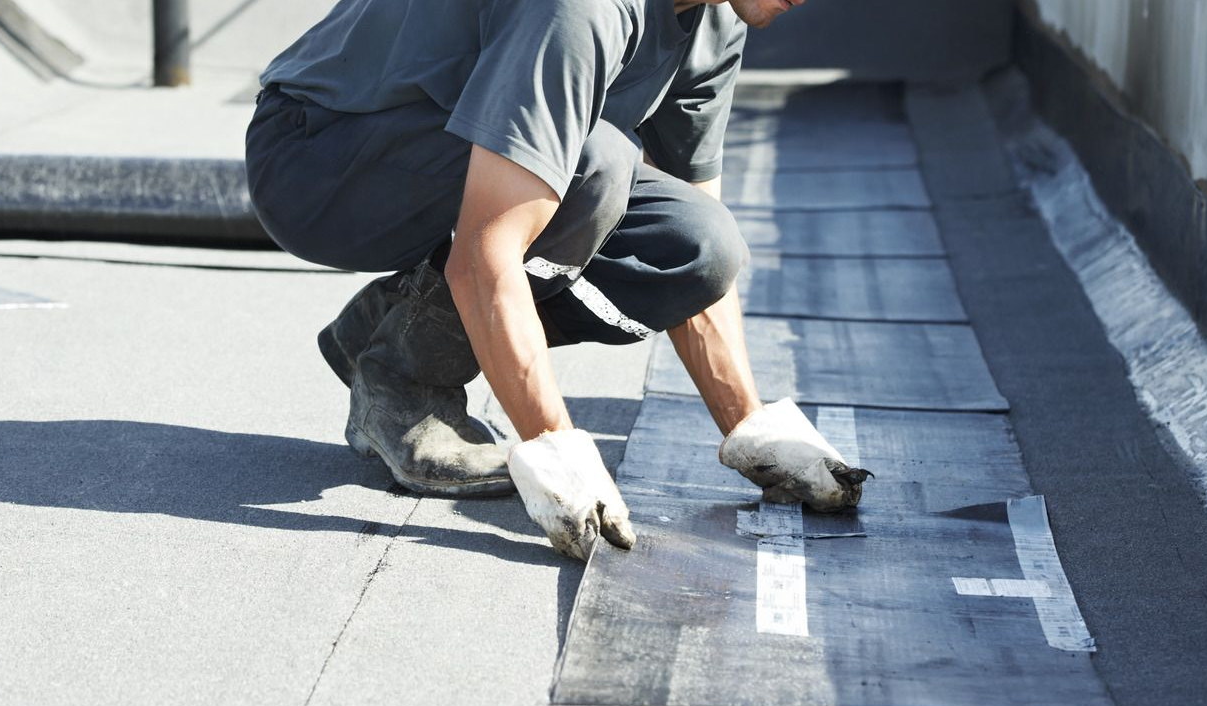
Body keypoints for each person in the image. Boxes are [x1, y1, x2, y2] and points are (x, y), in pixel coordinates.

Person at [246, 0, 869, 561]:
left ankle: (388, 326)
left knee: (697, 246)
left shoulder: (714, 20)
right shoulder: (580, 9)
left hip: (448, 157)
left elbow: (695, 223)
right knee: (593, 166)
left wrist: (751, 428)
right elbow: (487, 251)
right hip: (320, 155)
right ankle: (402, 386)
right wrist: (554, 448)